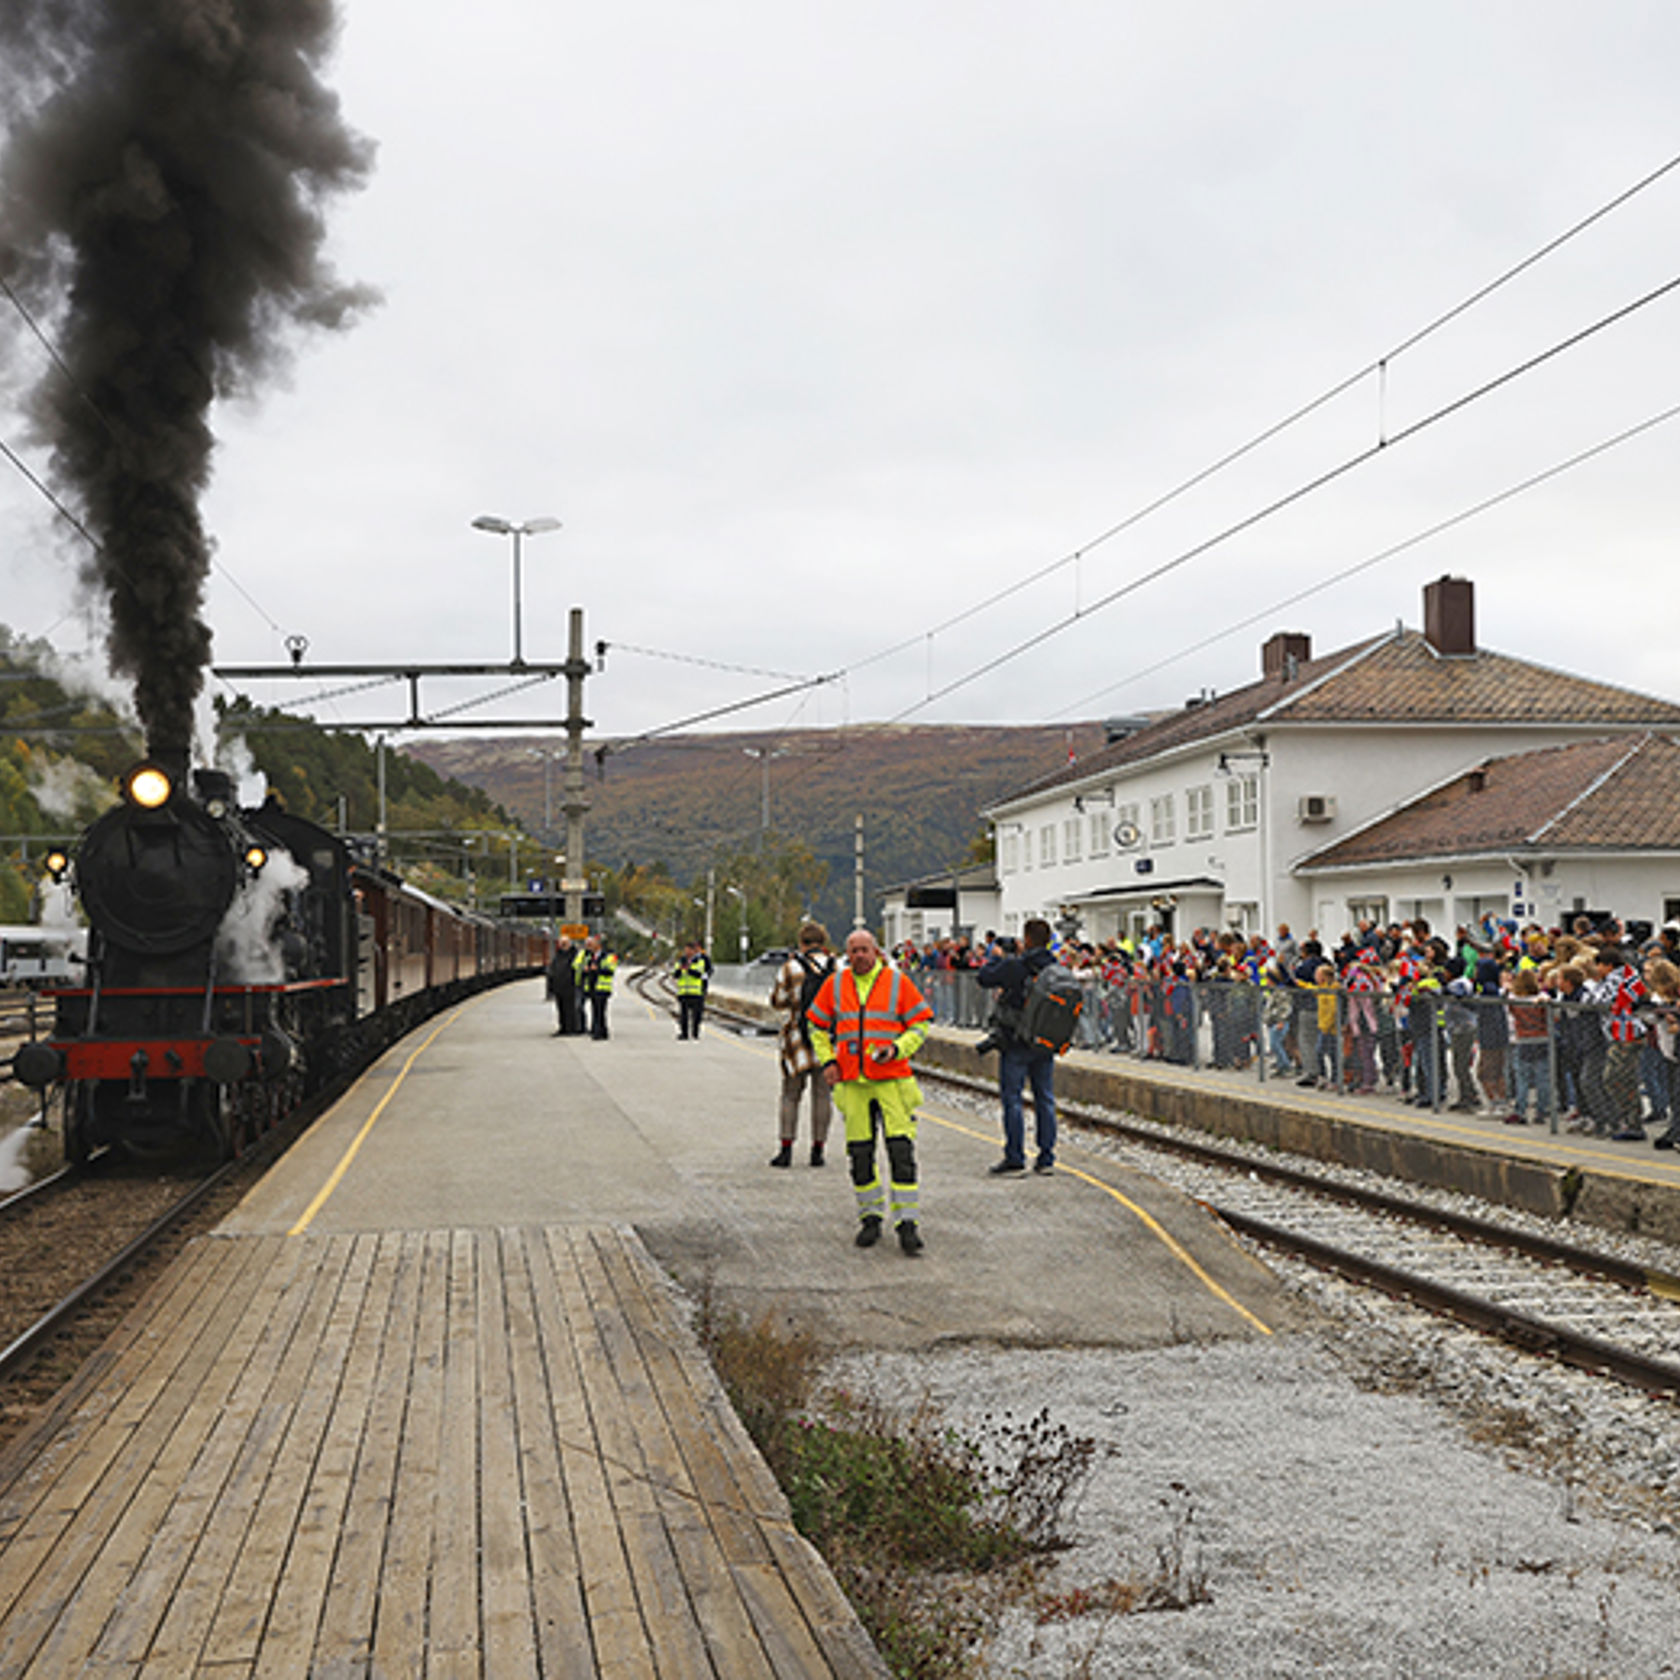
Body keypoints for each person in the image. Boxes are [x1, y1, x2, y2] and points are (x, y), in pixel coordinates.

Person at [806, 928, 933, 1254]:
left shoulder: (897, 982)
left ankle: (907, 1225)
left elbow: (920, 1024)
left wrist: (898, 1048)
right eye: (854, 951)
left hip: (892, 1081)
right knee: (860, 1156)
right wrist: (828, 1061)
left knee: (901, 1155)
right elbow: (816, 1026)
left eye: (865, 949)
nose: (859, 956)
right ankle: (871, 1218)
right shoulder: (835, 985)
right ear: (847, 954)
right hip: (853, 1084)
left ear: (876, 952)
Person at [975, 916, 1060, 1175]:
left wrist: (998, 956)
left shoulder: (1016, 966)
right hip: (1044, 1042)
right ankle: (1046, 1158)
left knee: (1013, 1099)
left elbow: (983, 977)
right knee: (1045, 1098)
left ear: (1027, 940)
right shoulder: (1055, 967)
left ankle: (1015, 1157)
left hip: (1016, 1043)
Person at [768, 921, 837, 1168]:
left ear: (802, 943)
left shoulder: (791, 967)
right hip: (827, 1040)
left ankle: (785, 1150)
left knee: (790, 1095)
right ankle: (818, 1151)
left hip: (797, 1040)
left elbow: (777, 1001)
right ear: (824, 941)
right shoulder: (836, 967)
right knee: (823, 1097)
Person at [673, 938, 713, 1040]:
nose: (687, 952)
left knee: (697, 1015)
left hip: (697, 991)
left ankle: (695, 1033)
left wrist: (689, 969)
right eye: (685, 950)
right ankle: (684, 1033)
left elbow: (702, 973)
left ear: (694, 950)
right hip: (683, 992)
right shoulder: (681, 961)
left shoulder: (701, 960)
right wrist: (681, 969)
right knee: (684, 1015)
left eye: (689, 950)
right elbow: (676, 974)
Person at [581, 934, 617, 1040]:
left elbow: (610, 971)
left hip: (602, 988)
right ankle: (597, 1030)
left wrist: (597, 969)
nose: (590, 947)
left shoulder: (610, 956)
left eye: (592, 944)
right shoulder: (589, 957)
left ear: (599, 946)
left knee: (601, 1011)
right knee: (595, 1010)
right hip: (592, 987)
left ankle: (601, 1032)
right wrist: (586, 970)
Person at [545, 935, 579, 1035]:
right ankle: (563, 1028)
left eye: (565, 943)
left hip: (570, 986)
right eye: (561, 943)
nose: (563, 945)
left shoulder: (574, 955)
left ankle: (571, 1029)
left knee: (570, 1009)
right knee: (561, 1009)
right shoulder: (558, 955)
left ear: (569, 944)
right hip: (559, 987)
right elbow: (552, 970)